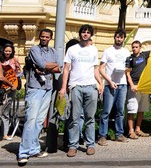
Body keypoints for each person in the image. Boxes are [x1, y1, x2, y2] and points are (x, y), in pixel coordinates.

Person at [17, 29, 60, 165]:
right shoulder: (34, 49)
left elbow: (59, 68)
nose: (44, 38)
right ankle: (23, 152)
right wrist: (47, 65)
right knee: (31, 120)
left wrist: (46, 66)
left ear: (50, 38)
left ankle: (34, 149)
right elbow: (42, 64)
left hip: (48, 88)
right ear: (39, 37)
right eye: (42, 36)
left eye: (47, 37)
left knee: (40, 121)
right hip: (35, 88)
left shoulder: (53, 52)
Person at [59, 24, 103, 157]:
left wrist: (100, 83)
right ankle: (73, 145)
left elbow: (95, 69)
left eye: (88, 32)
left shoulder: (94, 50)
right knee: (74, 118)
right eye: (83, 32)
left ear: (90, 35)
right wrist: (63, 87)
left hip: (91, 86)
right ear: (80, 34)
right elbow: (66, 69)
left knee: (90, 118)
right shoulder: (72, 49)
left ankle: (90, 145)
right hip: (76, 86)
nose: (85, 34)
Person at [97, 29, 130, 145]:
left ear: (123, 39)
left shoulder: (126, 52)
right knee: (106, 111)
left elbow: (129, 68)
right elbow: (101, 69)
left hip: (123, 84)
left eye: (121, 37)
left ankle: (119, 134)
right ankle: (102, 135)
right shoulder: (107, 51)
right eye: (117, 37)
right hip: (110, 85)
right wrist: (109, 81)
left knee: (120, 111)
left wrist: (126, 69)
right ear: (114, 37)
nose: (119, 39)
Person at [125, 40, 150, 139]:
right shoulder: (130, 59)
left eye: (136, 47)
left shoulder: (144, 55)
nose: (134, 49)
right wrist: (131, 85)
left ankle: (138, 129)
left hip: (143, 86)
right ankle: (130, 131)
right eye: (133, 47)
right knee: (131, 109)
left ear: (140, 48)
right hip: (134, 86)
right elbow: (127, 73)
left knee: (141, 109)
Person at [1, 43, 21, 141]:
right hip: (1, 87)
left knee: (5, 110)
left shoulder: (14, 60)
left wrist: (14, 81)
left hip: (10, 87)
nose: (7, 53)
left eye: (9, 51)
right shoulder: (0, 60)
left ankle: (5, 133)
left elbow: (19, 71)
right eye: (6, 51)